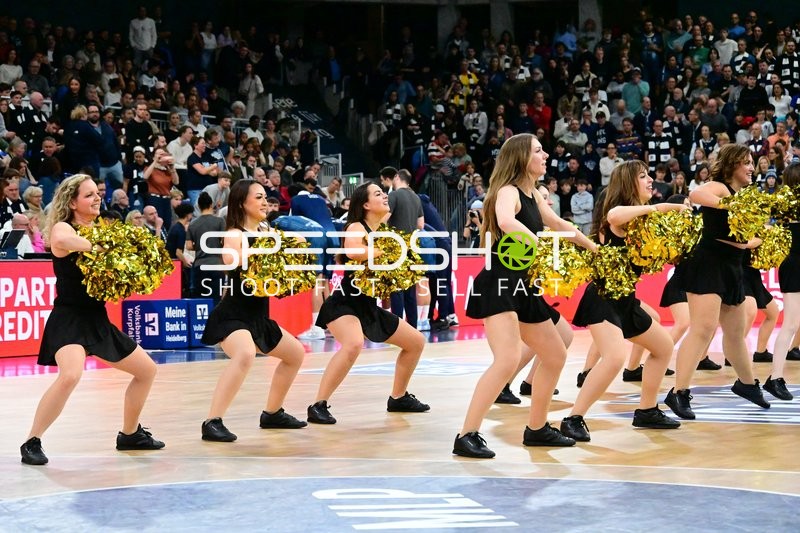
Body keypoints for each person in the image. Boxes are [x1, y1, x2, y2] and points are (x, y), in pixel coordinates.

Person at [454, 133, 599, 459]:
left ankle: (536, 429)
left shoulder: (531, 193)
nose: (545, 155)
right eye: (538, 150)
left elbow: (559, 222)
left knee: (555, 354)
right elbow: (505, 220)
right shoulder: (507, 192)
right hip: (501, 284)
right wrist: (535, 244)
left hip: (522, 286)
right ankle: (466, 435)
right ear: (521, 158)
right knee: (506, 360)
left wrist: (593, 247)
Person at [20, 175, 165, 465]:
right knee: (71, 374)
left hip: (98, 320)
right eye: (88, 195)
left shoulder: (104, 230)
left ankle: (130, 434)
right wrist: (98, 247)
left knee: (147, 370)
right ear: (72, 202)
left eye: (97, 194)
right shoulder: (64, 227)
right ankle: (31, 441)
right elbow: (60, 240)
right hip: (69, 319)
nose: (97, 199)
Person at [560, 160, 683, 442]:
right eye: (644, 176)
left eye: (650, 175)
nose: (651, 180)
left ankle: (647, 410)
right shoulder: (619, 216)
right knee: (615, 357)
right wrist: (658, 207)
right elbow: (614, 215)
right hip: (604, 298)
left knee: (663, 346)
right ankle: (573, 418)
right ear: (629, 184)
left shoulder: (646, 222)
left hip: (626, 300)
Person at [308, 182, 429, 425]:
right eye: (378, 194)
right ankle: (317, 405)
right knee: (353, 344)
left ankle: (398, 397)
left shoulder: (383, 229)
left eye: (383, 193)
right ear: (365, 204)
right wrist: (383, 253)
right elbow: (352, 252)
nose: (385, 196)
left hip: (369, 307)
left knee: (415, 342)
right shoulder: (356, 227)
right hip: (345, 304)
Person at [666, 144, 771, 420]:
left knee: (736, 333)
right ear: (733, 164)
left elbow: (738, 238)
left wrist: (757, 241)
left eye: (752, 162)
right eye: (747, 162)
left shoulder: (744, 194)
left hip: (732, 267)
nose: (752, 167)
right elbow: (696, 193)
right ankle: (678, 392)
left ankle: (747, 384)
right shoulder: (721, 187)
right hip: (708, 264)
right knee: (703, 329)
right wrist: (729, 203)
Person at [198, 179, 307, 441]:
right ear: (241, 203)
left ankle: (272, 413)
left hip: (259, 316)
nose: (265, 202)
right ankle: (212, 421)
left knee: (295, 355)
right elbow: (230, 260)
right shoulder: (235, 234)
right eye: (258, 197)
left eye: (265, 197)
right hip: (233, 315)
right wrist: (270, 245)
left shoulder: (266, 230)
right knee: (245, 354)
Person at [768, 162, 800, 400]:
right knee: (790, 324)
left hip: (791, 264)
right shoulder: (791, 207)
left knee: (791, 324)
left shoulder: (785, 206)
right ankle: (775, 377)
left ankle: (776, 377)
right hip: (794, 266)